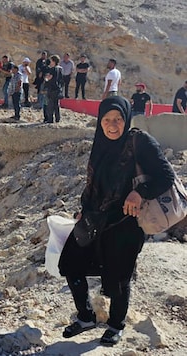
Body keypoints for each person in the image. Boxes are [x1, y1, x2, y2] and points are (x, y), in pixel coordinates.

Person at [58, 96, 174, 346]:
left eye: (118, 119)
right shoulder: (100, 143)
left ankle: (115, 325)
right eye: (107, 120)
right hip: (95, 217)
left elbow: (166, 176)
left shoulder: (139, 141)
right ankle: (86, 316)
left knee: (119, 276)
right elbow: (94, 183)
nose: (112, 125)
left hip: (126, 222)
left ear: (126, 118)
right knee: (71, 263)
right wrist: (83, 209)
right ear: (100, 122)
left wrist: (139, 193)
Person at [43, 55, 63, 123]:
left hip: (52, 89)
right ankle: (58, 119)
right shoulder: (60, 68)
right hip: (58, 88)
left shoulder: (53, 69)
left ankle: (50, 119)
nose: (50, 62)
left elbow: (49, 77)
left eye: (51, 61)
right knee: (56, 105)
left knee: (50, 105)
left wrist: (46, 79)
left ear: (54, 61)